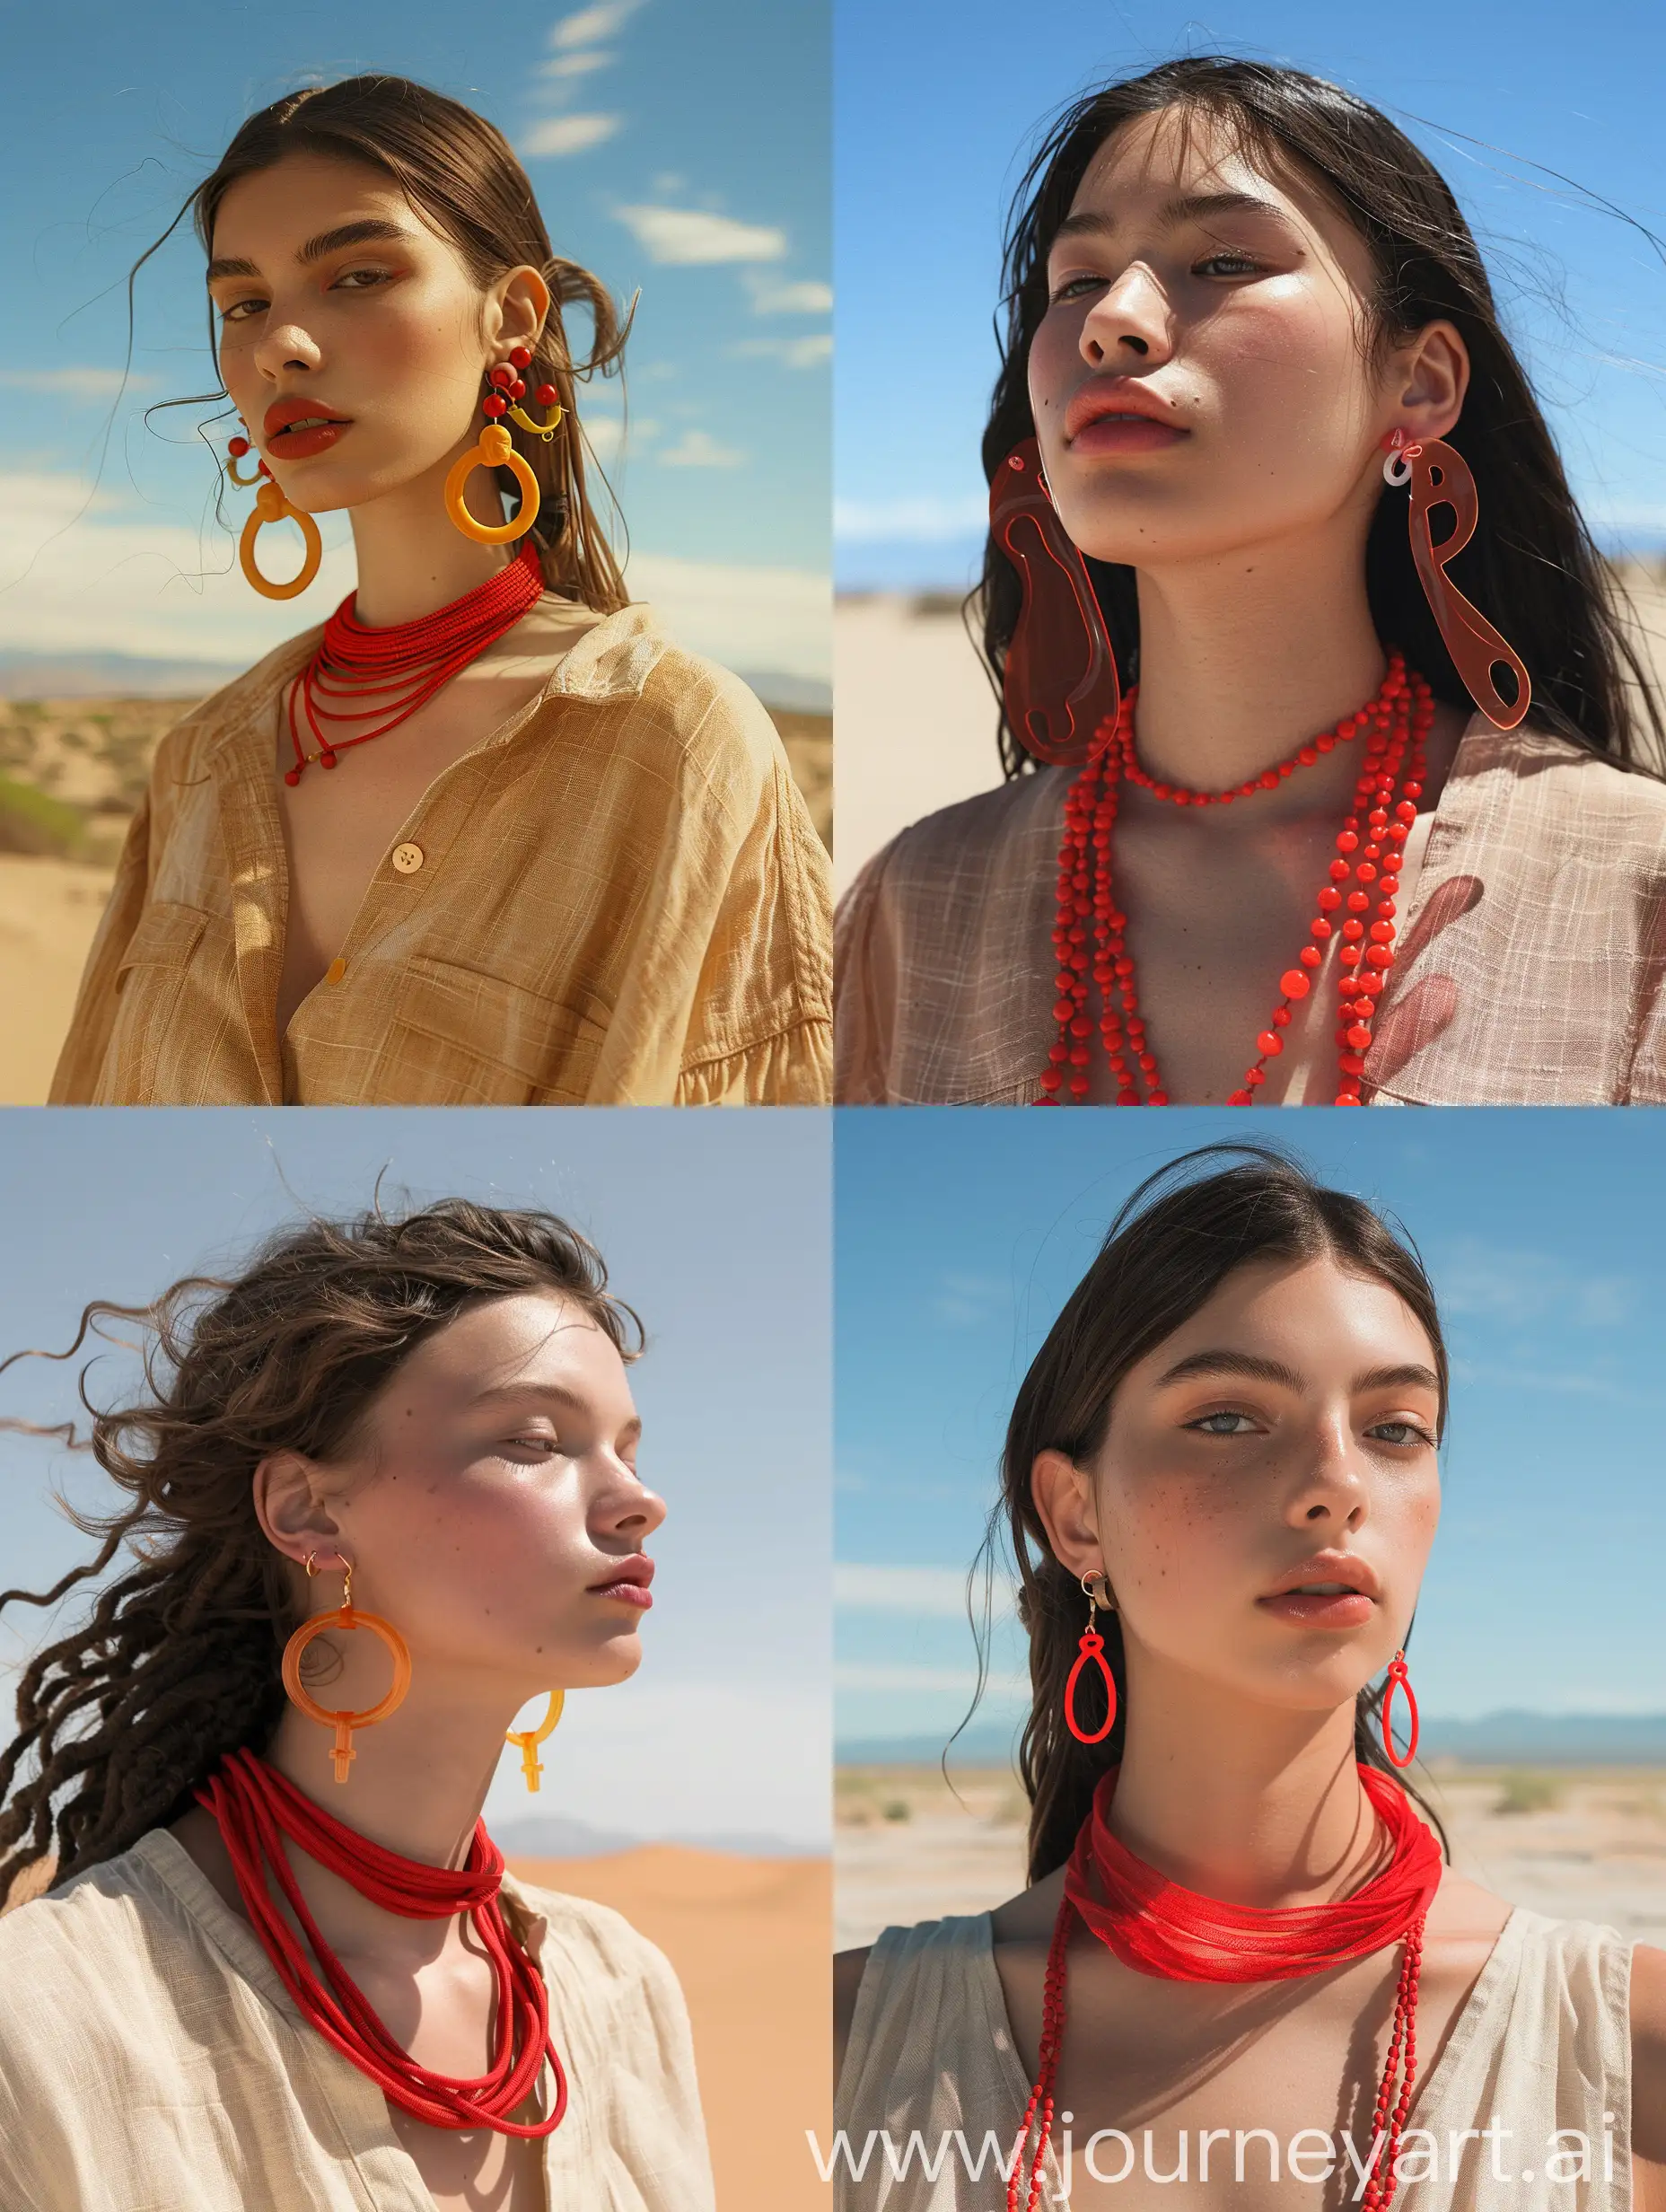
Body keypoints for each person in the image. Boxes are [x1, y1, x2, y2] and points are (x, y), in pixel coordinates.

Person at [833, 1148, 1666, 2208]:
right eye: (1227, 1418)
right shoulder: (852, 2042)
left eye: (1392, 1429)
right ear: (1075, 1514)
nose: (1336, 1484)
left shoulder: (1624, 2048)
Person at [834, 57, 1666, 1107]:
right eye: (1077, 281)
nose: (1113, 320)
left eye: (1222, 260)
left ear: (1419, 382)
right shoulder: (915, 905)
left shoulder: (1635, 884)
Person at [48, 76, 831, 1108]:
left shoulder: (675, 747)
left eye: (358, 275)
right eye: (244, 304)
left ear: (509, 315)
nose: (281, 343)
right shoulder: (195, 764)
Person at [0, 1199, 715, 2211]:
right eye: (535, 1439)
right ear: (308, 1510)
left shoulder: (622, 1990)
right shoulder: (45, 2024)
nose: (640, 1498)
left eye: (627, 1450)